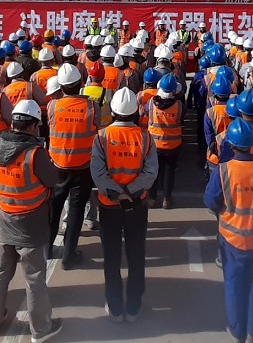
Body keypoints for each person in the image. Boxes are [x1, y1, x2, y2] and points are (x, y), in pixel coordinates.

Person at [0, 99, 62, 341]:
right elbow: (52, 180)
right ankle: (40, 329)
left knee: (0, 271)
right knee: (34, 277)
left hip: (6, 218)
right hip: (31, 222)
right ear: (33, 126)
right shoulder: (34, 154)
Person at [205, 119, 253, 343]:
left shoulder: (223, 171)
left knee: (234, 284)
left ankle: (237, 331)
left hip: (233, 239)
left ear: (231, 144)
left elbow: (211, 200)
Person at [91, 88, 158, 322]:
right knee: (136, 254)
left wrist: (117, 193)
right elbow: (151, 171)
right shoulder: (145, 137)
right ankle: (133, 306)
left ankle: (115, 306)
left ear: (113, 111)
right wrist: (130, 192)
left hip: (109, 206)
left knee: (111, 256)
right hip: (136, 205)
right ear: (135, 112)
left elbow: (97, 172)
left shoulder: (101, 137)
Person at [47, 63, 101, 269]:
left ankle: (47, 248)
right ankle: (69, 255)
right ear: (80, 84)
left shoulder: (53, 106)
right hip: (83, 168)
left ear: (60, 87)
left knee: (54, 208)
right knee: (77, 211)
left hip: (57, 167)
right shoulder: (92, 107)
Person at [147, 73, 184, 209]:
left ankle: (151, 199)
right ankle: (166, 199)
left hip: (154, 145)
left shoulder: (151, 103)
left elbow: (144, 111)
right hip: (172, 146)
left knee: (154, 172)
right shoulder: (179, 106)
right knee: (169, 172)